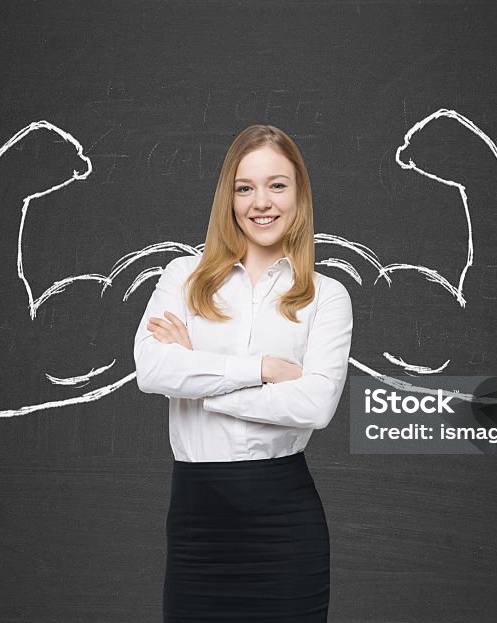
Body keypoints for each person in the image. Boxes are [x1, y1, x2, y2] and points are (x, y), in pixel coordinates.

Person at [133, 124, 354, 622]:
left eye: (278, 185)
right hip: (197, 521)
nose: (262, 202)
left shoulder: (327, 296)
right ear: (228, 198)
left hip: (283, 522)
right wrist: (262, 370)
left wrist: (202, 384)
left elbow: (314, 406)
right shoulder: (181, 278)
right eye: (245, 187)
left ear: (299, 195)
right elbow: (151, 369)